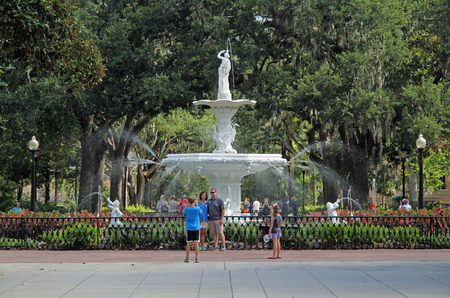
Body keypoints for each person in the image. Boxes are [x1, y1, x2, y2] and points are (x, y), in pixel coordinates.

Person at [183, 196, 202, 263]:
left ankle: (187, 257)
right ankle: (196, 258)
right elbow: (201, 212)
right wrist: (197, 204)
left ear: (188, 201)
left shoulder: (187, 208)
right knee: (196, 242)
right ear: (194, 201)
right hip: (196, 227)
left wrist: (188, 205)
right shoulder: (197, 208)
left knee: (188, 242)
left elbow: (183, 212)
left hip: (189, 227)